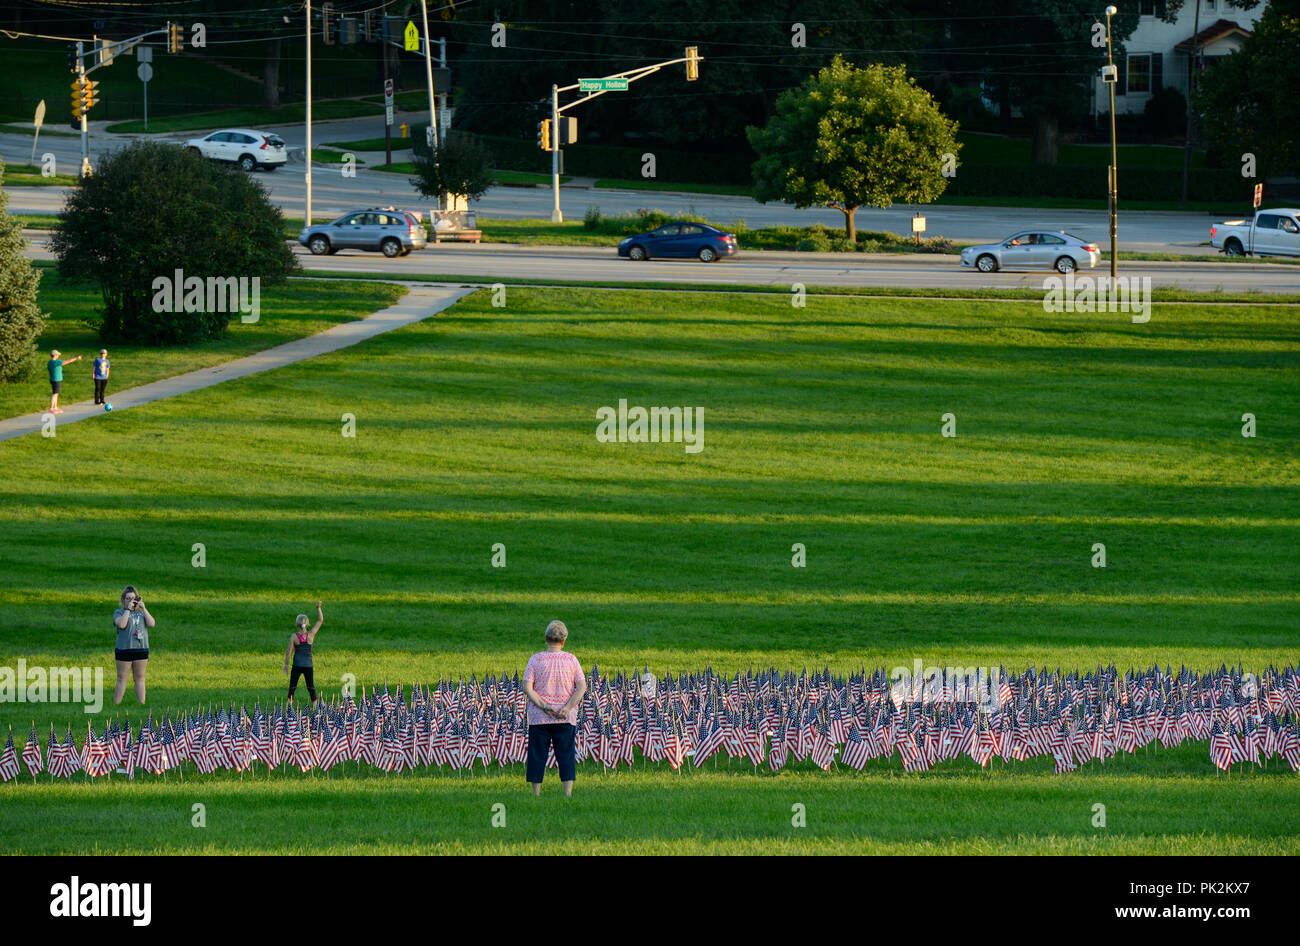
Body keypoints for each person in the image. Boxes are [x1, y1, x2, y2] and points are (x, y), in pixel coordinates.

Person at [522, 620, 586, 797]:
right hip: (565, 716)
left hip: (539, 716)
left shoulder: (535, 659)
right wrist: (568, 707)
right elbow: (581, 686)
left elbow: (527, 687)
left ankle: (536, 794)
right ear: (564, 640)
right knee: (565, 755)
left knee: (537, 755)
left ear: (545, 638)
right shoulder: (571, 660)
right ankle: (568, 794)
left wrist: (543, 705)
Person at [113, 586, 154, 704]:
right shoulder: (119, 612)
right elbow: (121, 624)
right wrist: (128, 609)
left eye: (133, 598)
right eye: (128, 598)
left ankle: (142, 703)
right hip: (124, 649)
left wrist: (144, 608)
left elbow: (151, 623)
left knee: (140, 678)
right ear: (123, 600)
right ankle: (117, 704)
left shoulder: (141, 613)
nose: (131, 600)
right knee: (122, 678)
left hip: (141, 649)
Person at [284, 601, 323, 705]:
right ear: (307, 624)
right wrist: (318, 608)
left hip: (297, 665)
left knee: (292, 688)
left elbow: (289, 651)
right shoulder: (311, 635)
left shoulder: (294, 636)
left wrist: (286, 665)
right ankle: (316, 710)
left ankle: (289, 711)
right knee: (311, 688)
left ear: (297, 624)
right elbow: (320, 620)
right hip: (308, 665)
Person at [47, 350, 82, 414]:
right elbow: (68, 361)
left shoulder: (49, 362)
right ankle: (51, 408)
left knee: (56, 393)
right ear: (54, 355)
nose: (58, 356)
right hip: (56, 379)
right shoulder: (55, 362)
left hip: (54, 379)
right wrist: (76, 358)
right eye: (57, 355)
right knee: (55, 394)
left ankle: (55, 407)